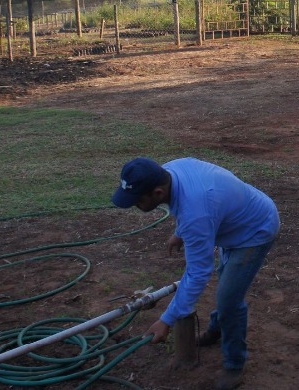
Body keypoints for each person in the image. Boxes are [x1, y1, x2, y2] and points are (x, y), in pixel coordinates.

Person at [112, 157, 280, 390]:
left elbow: (198, 272)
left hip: (254, 231)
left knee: (229, 300)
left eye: (137, 200)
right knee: (225, 286)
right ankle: (217, 329)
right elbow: (192, 203)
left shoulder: (196, 213)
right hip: (231, 220)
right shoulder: (170, 171)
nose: (134, 205)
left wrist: (166, 320)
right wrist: (181, 231)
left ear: (158, 193)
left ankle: (234, 364)